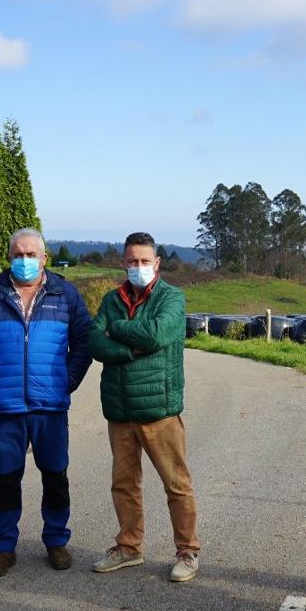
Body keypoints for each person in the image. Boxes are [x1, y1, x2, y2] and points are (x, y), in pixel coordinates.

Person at [0, 228, 92, 578]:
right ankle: (3, 548)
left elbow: (83, 341)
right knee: (5, 478)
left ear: (44, 258)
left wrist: (67, 381)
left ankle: (56, 541)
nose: (24, 260)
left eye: (31, 254)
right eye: (18, 254)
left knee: (55, 475)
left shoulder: (64, 294)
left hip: (49, 406)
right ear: (9, 257)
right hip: (5, 407)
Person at [88, 232, 201, 582]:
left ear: (157, 263)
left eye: (144, 261)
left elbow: (157, 334)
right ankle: (128, 547)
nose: (138, 267)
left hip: (159, 410)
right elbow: (94, 340)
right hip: (120, 411)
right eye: (132, 261)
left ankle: (187, 551)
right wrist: (127, 349)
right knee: (123, 483)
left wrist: (118, 330)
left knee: (176, 483)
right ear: (123, 263)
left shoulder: (172, 298)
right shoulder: (111, 299)